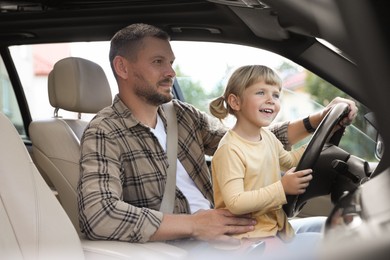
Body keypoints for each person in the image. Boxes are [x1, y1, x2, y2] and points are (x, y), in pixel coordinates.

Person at [77, 23, 357, 251]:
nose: (171, 72)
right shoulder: (104, 132)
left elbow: (248, 141)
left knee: (333, 230)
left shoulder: (181, 115)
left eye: (171, 62)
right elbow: (99, 215)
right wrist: (195, 225)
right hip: (183, 246)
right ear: (123, 68)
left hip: (235, 233)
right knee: (342, 248)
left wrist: (317, 121)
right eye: (158, 62)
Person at [208, 65, 322, 257]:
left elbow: (289, 160)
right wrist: (282, 188)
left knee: (328, 235)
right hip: (248, 240)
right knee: (325, 244)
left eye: (276, 95)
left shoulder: (267, 137)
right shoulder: (230, 149)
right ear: (235, 102)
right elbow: (236, 202)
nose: (271, 100)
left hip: (272, 231)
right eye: (261, 92)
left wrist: (320, 142)